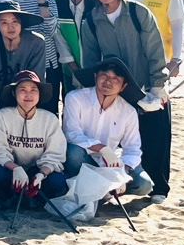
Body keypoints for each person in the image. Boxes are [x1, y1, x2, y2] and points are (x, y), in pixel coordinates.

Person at [78, 0, 171, 200]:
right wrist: (92, 88)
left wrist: (158, 85)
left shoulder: (139, 13)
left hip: (147, 86)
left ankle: (159, 188)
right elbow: (90, 58)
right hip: (116, 89)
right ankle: (116, 182)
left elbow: (155, 51)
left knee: (156, 137)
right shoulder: (91, 19)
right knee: (127, 138)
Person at [62, 56, 154, 198]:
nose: (108, 81)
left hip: (113, 163)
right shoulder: (75, 98)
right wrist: (102, 149)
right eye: (104, 75)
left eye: (116, 78)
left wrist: (121, 172)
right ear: (95, 76)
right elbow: (71, 134)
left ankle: (106, 189)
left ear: (123, 86)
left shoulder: (128, 111)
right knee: (73, 153)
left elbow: (133, 148)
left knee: (144, 185)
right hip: (84, 158)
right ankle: (95, 188)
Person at [0, 70, 69, 208]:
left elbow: (55, 154)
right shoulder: (2, 116)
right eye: (22, 89)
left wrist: (41, 174)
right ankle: (6, 197)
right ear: (13, 93)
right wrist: (16, 169)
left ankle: (37, 200)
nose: (28, 94)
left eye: (33, 90)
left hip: (37, 170)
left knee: (57, 180)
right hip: (11, 169)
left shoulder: (49, 119)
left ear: (39, 94)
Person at [0, 0, 49, 118]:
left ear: (21, 23)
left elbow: (37, 80)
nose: (10, 27)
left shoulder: (36, 43)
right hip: (0, 105)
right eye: (4, 23)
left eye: (15, 21)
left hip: (29, 101)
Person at [2, 0, 60, 88]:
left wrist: (41, 3)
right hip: (13, 63)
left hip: (45, 61)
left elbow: (51, 32)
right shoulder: (0, 0)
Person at [53, 0, 96, 89]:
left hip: (98, 70)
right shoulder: (57, 6)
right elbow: (59, 40)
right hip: (69, 70)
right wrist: (75, 70)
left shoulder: (97, 5)